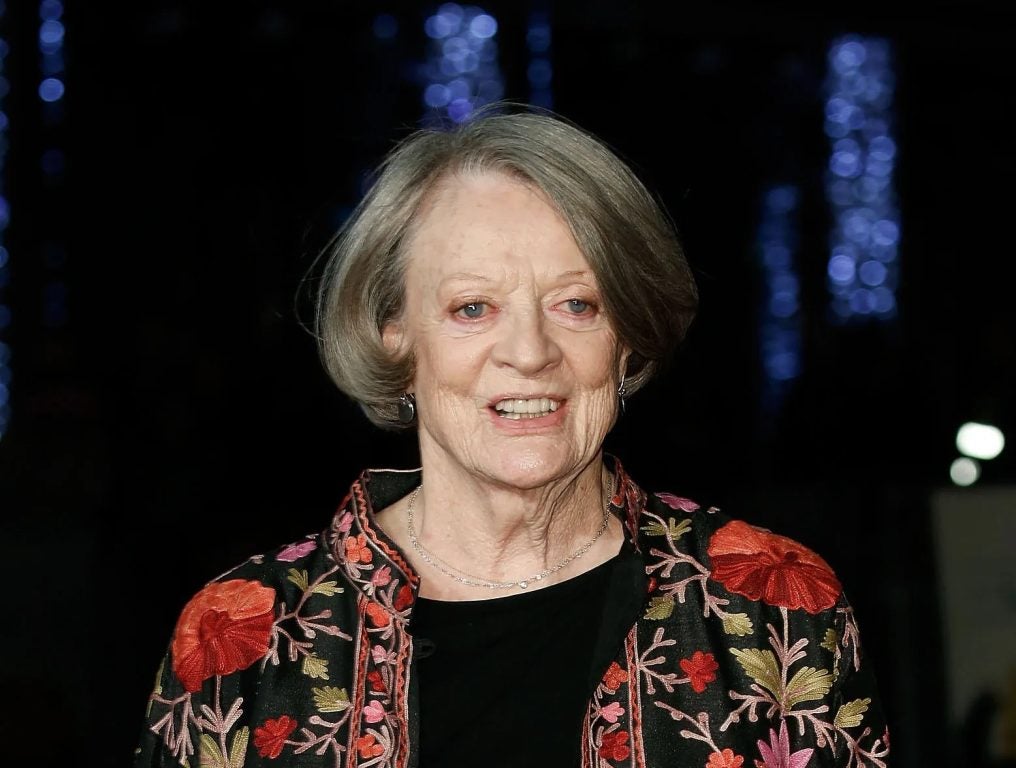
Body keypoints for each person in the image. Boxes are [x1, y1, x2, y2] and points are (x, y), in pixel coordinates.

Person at [133, 102, 890, 767]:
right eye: (472, 308)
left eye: (577, 305)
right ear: (395, 333)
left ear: (626, 335)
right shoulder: (243, 634)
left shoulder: (774, 603)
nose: (529, 352)